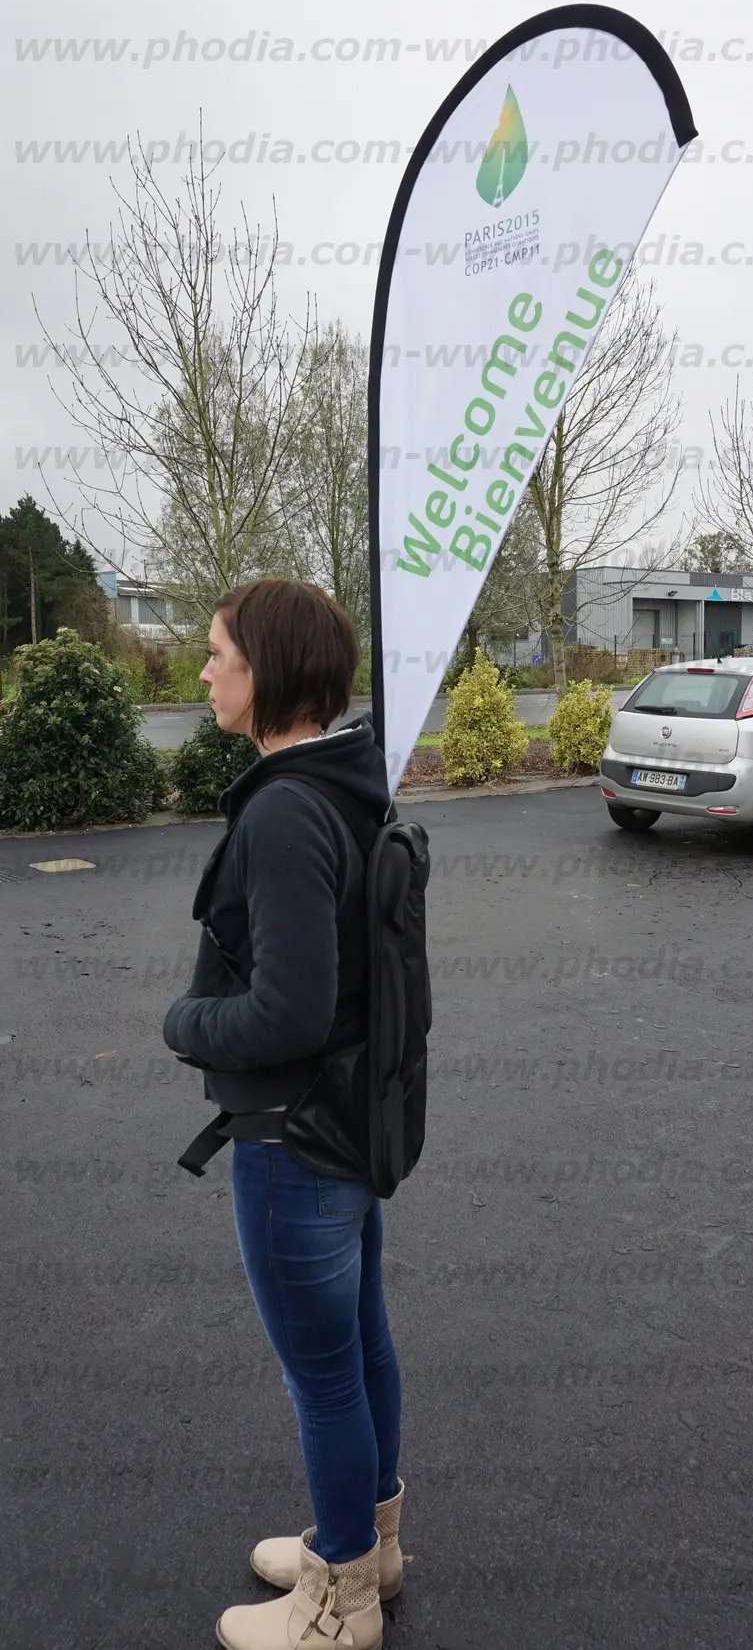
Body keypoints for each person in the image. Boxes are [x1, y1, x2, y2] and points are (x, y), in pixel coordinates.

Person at [162, 578, 404, 1650]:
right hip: (348, 1127)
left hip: (294, 1142)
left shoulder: (287, 809)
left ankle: (337, 1603)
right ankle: (367, 1544)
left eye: (219, 652)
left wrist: (185, 1023)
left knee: (324, 1378)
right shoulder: (343, 782)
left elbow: (290, 1010)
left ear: (267, 670)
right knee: (357, 1353)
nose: (204, 669)